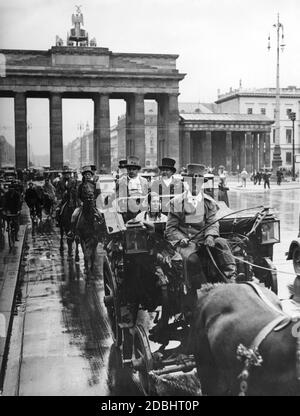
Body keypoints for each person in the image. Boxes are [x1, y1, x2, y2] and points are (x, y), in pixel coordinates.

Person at [165, 164, 237, 292]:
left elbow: (213, 222)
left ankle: (230, 280)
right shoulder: (176, 202)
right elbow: (170, 229)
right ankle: (201, 290)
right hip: (187, 243)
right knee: (192, 260)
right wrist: (181, 239)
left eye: (197, 182)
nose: (194, 185)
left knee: (222, 243)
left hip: (204, 239)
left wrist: (210, 235)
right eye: (191, 181)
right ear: (186, 182)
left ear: (202, 183)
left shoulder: (209, 202)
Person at [116, 156, 149, 222]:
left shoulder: (144, 181)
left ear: (137, 170)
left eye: (134, 169)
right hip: (127, 211)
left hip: (141, 210)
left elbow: (146, 195)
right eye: (129, 169)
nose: (131, 171)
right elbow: (117, 196)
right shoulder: (121, 181)